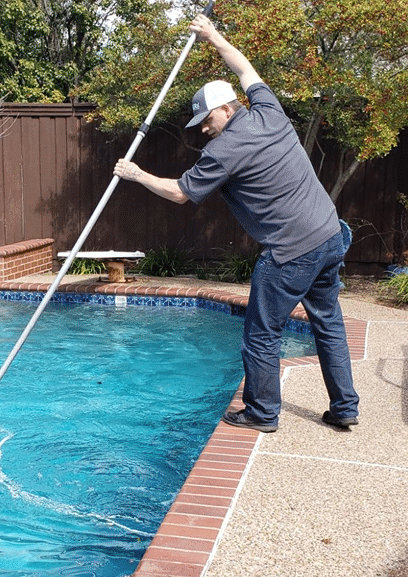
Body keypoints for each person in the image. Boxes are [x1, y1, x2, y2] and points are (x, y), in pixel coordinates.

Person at [113, 14, 359, 433]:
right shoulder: (269, 111)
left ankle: (262, 413)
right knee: (328, 324)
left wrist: (135, 174)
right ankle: (345, 408)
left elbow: (178, 193)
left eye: (207, 120)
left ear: (226, 110)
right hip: (330, 236)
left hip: (291, 251)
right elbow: (243, 68)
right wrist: (213, 37)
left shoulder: (225, 150)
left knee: (262, 333)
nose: (204, 130)